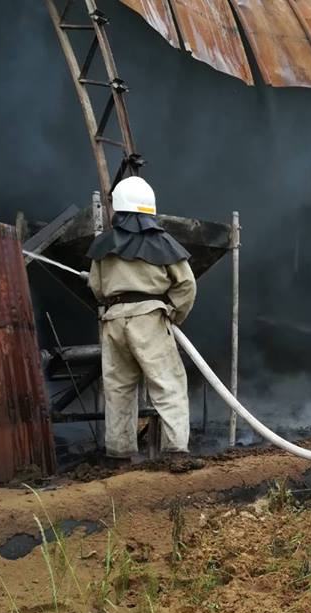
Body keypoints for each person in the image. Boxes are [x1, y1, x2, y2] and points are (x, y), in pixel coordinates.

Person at [86, 176, 202, 470]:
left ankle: (119, 454)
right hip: (149, 319)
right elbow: (186, 285)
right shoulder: (162, 242)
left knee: (118, 388)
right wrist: (173, 313)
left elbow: (97, 288)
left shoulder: (104, 245)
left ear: (119, 208)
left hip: (113, 321)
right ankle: (176, 452)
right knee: (167, 384)